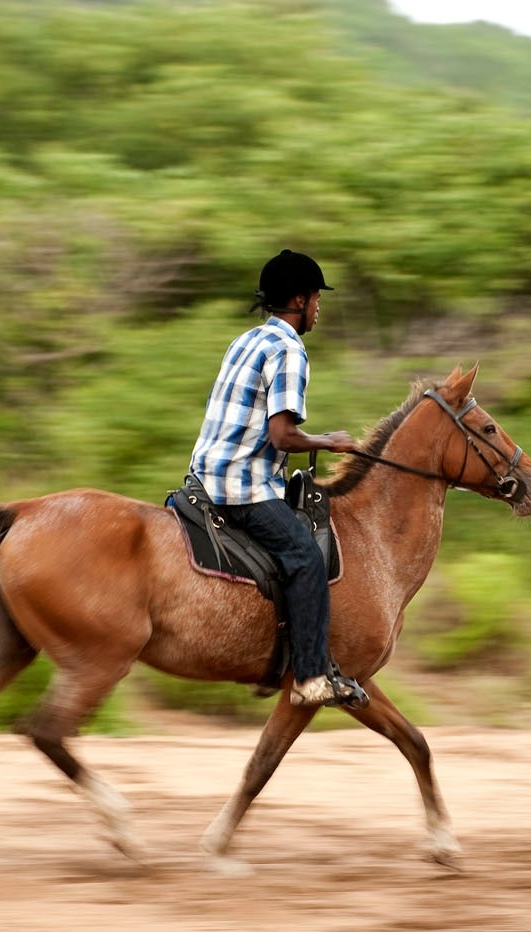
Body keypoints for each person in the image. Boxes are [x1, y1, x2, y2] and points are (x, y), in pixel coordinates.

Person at [188, 249, 365, 708]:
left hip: (203, 476)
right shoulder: (289, 350)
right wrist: (329, 441)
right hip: (241, 486)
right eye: (316, 299)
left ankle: (270, 661)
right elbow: (283, 436)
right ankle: (310, 677)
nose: (319, 307)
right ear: (300, 299)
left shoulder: (246, 339)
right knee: (305, 556)